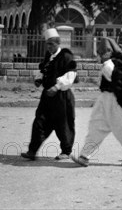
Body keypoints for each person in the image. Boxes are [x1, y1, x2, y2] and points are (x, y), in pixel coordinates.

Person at [72, 37, 122, 167]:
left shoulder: (110, 65)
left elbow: (119, 83)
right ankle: (84, 155)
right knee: (96, 126)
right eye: (100, 52)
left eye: (103, 52)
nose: (101, 54)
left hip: (114, 100)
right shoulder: (117, 63)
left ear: (110, 51)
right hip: (105, 99)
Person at [21, 28, 77, 161]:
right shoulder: (48, 56)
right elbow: (43, 69)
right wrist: (39, 79)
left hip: (61, 97)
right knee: (39, 121)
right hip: (47, 96)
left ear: (58, 43)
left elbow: (71, 75)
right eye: (47, 44)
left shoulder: (66, 56)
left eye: (51, 44)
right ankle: (32, 151)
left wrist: (57, 87)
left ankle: (66, 151)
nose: (49, 46)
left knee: (63, 124)